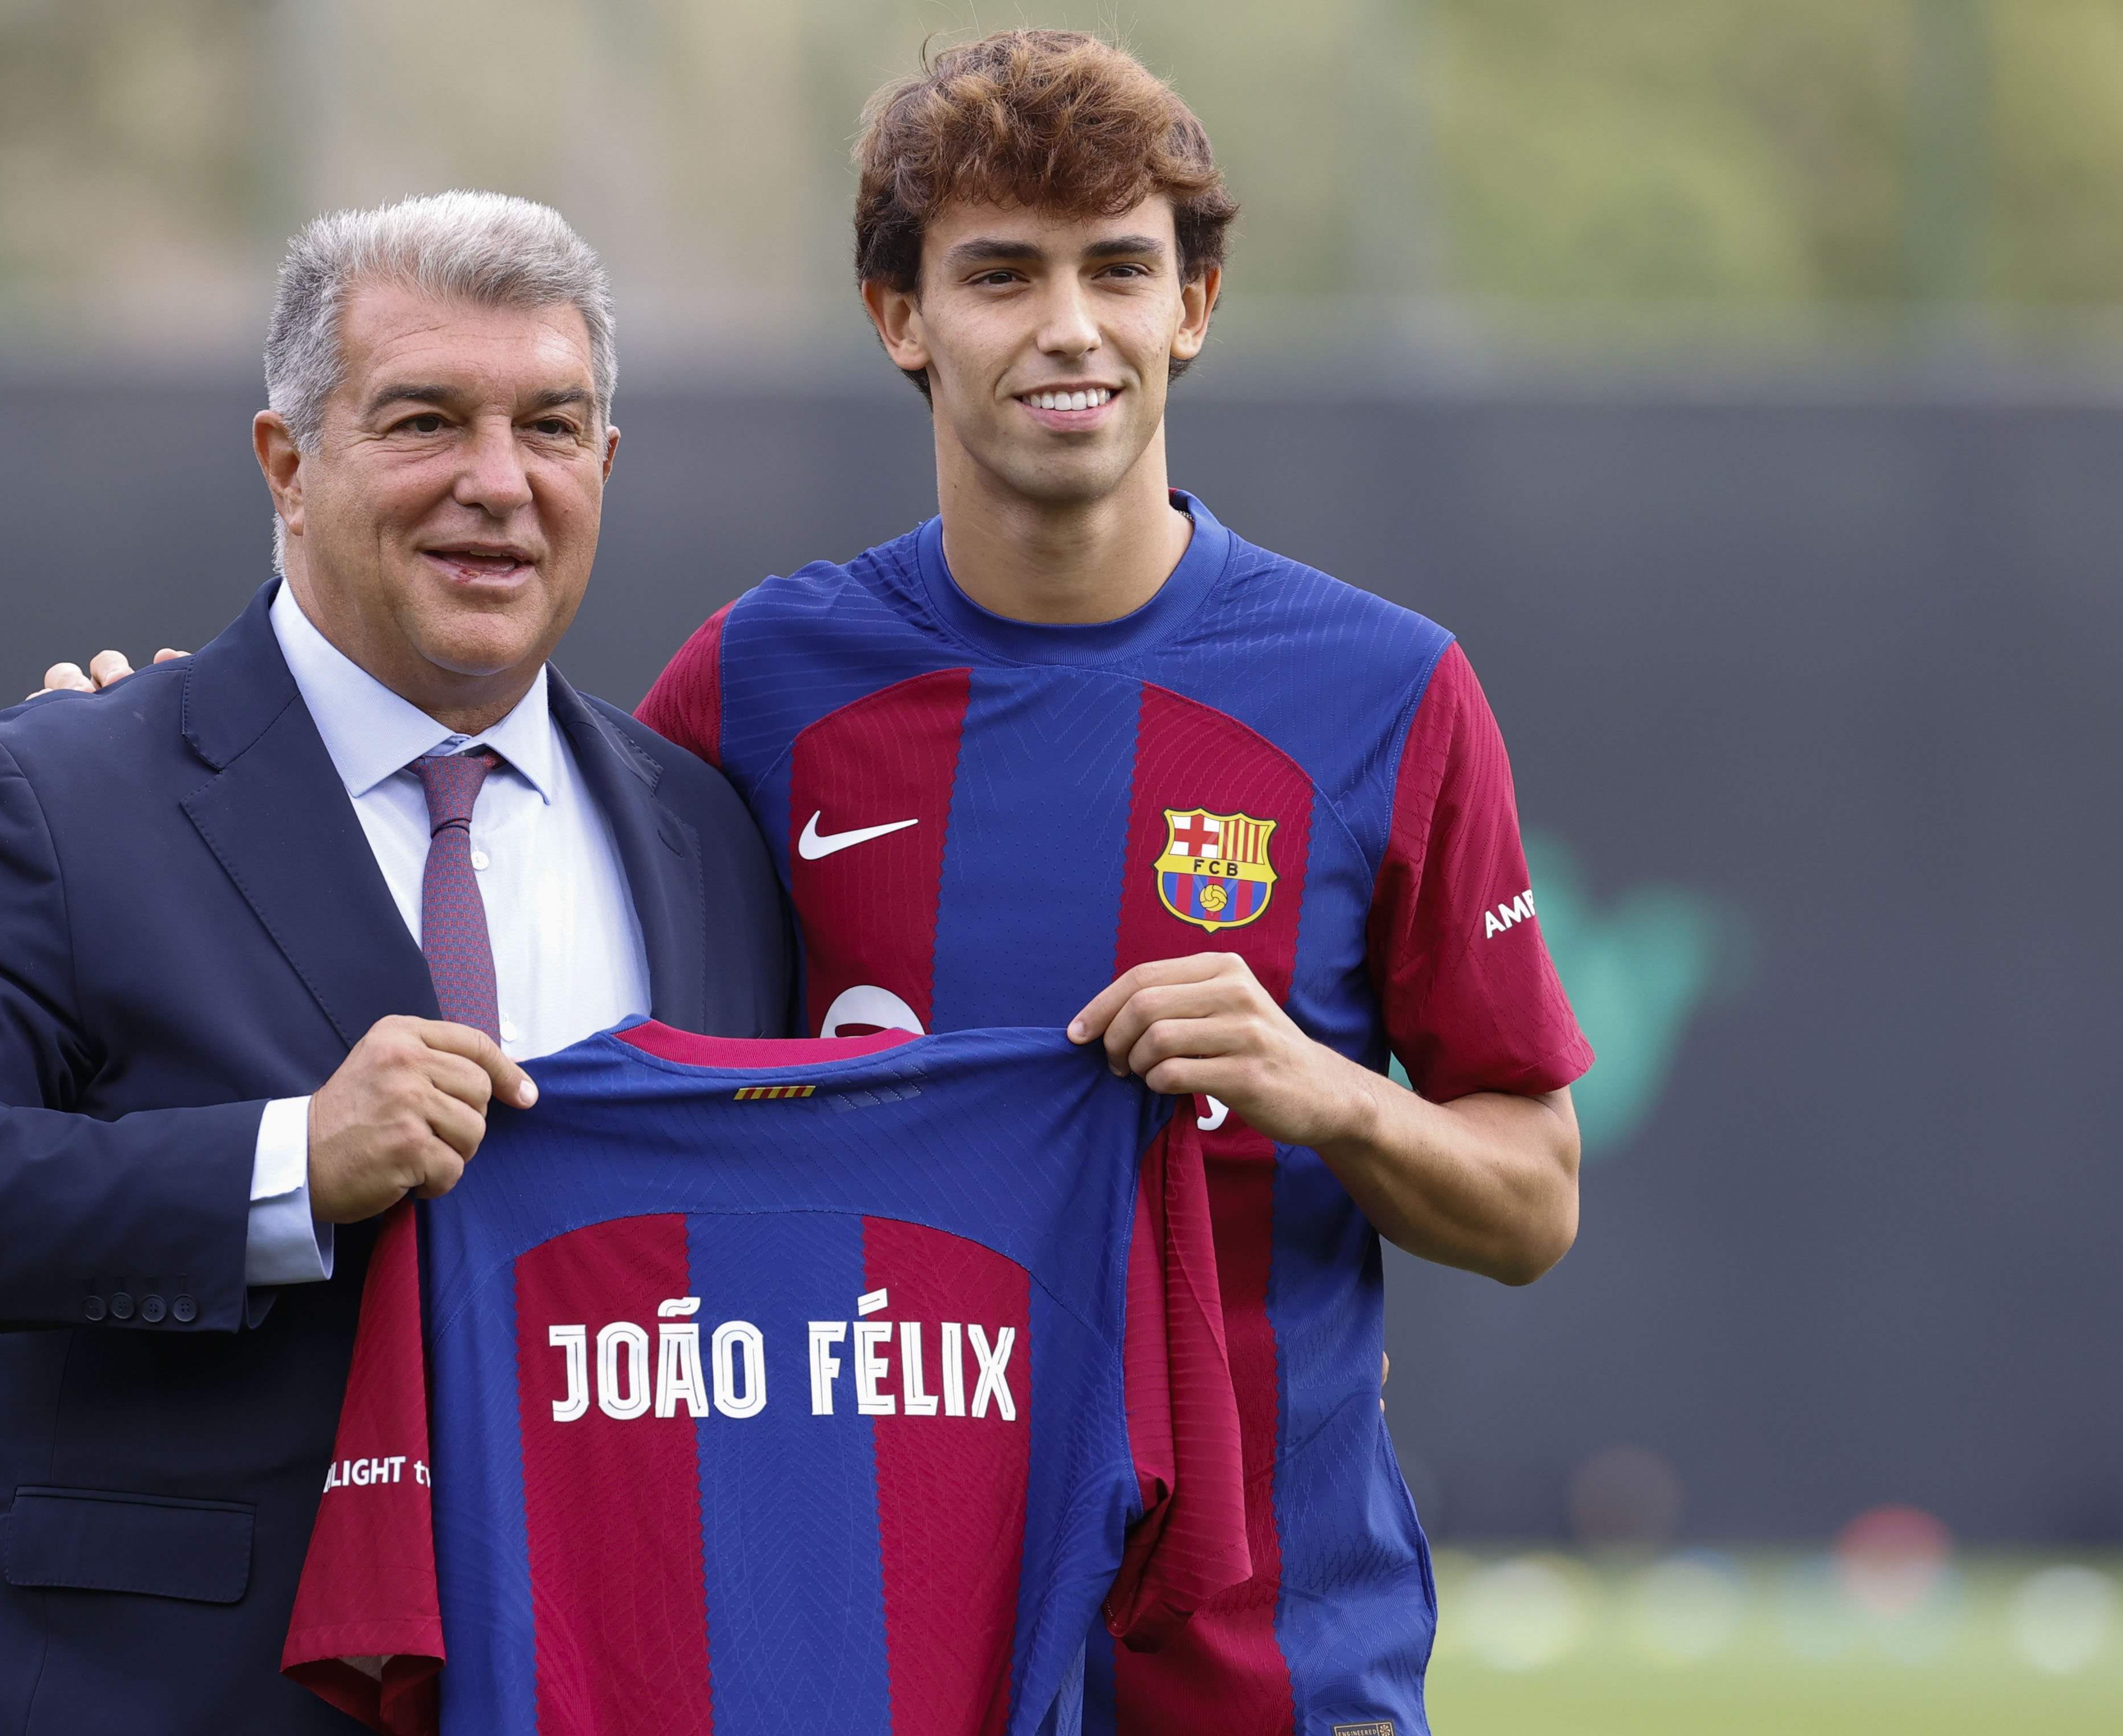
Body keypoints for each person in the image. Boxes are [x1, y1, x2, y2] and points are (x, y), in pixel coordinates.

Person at [629, 33, 1592, 1734]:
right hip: (860, 1641)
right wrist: (155, 750)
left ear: (1192, 307)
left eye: (1116, 269)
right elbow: (503, 949)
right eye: (1000, 272)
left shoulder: (1383, 689)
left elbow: (1529, 1201)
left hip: (1269, 1660)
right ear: (900, 319)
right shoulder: (759, 684)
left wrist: (1326, 1095)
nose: (1066, 325)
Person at [0, 192, 788, 1736]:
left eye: (550, 425)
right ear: (285, 463)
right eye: (422, 421)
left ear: (603, 465)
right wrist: (288, 1164)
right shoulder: (51, 791)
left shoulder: (706, 838)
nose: (495, 482)